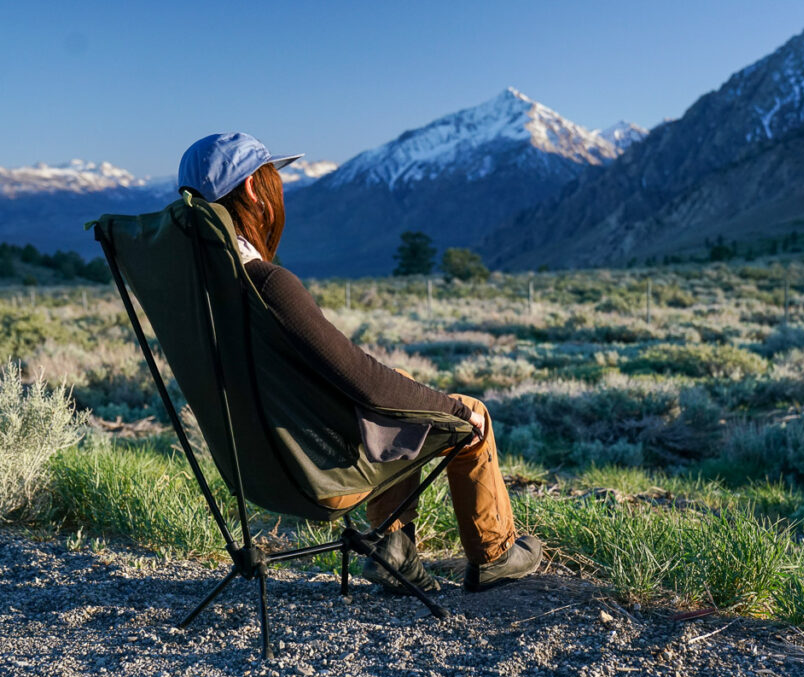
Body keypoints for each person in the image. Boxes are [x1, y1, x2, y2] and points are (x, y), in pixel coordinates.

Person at [177, 132, 541, 593]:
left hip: (255, 468)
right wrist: (455, 413)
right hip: (320, 473)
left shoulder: (198, 296)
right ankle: (495, 557)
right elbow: (366, 382)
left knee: (402, 384)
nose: (277, 190)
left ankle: (395, 547)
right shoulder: (266, 285)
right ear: (252, 189)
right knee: (471, 414)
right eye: (272, 179)